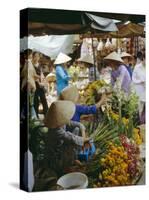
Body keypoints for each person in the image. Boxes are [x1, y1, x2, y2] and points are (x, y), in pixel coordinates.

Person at [44, 100, 89, 174]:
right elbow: (70, 137)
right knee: (72, 142)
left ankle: (72, 159)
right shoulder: (55, 131)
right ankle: (66, 166)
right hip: (56, 154)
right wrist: (84, 140)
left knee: (77, 129)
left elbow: (73, 123)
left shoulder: (61, 122)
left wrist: (82, 128)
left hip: (62, 146)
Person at [32, 51, 48, 117]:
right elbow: (32, 75)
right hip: (34, 84)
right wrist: (38, 82)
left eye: (38, 56)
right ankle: (36, 116)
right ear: (33, 57)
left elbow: (41, 74)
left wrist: (43, 82)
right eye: (35, 56)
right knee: (36, 101)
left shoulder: (39, 65)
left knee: (43, 99)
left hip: (41, 85)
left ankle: (46, 115)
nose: (36, 58)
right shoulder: (31, 65)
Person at [132, 52, 145, 123]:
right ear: (143, 59)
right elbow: (133, 78)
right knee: (140, 109)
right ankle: (140, 123)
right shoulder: (137, 67)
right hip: (139, 92)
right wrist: (140, 81)